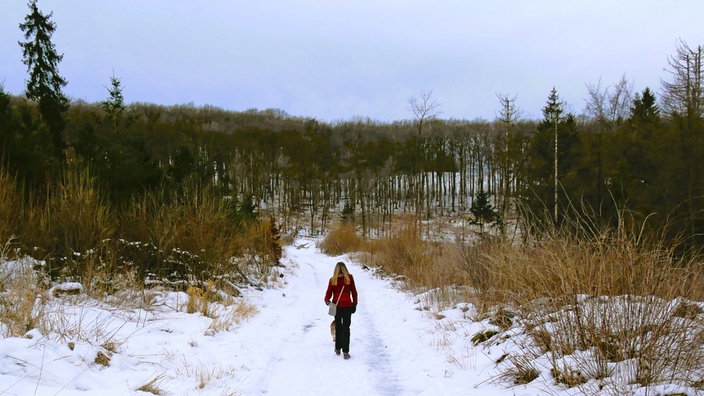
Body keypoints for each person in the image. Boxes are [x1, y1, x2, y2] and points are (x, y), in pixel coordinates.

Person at [324, 261, 358, 359]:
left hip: (337, 307)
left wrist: (327, 301)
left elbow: (328, 295)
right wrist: (354, 304)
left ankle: (338, 348)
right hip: (348, 306)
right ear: (345, 269)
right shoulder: (349, 278)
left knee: (338, 327)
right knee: (346, 328)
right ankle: (346, 351)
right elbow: (354, 293)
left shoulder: (333, 280)